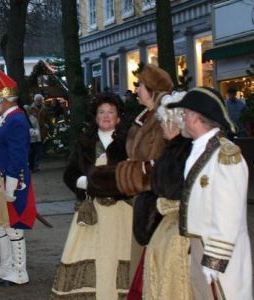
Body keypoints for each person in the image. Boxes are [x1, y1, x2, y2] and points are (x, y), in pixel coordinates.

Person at [166, 87, 252, 299]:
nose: (182, 119)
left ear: (196, 117)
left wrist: (215, 260)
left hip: (218, 250)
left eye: (184, 113)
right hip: (198, 245)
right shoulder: (200, 148)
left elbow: (229, 213)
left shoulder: (225, 155)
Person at [51, 93, 129, 299]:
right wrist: (82, 183)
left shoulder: (129, 142)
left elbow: (132, 177)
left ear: (119, 117)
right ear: (95, 117)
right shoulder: (85, 142)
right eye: (101, 112)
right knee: (84, 254)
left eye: (111, 112)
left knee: (117, 257)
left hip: (120, 211)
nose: (106, 116)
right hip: (90, 211)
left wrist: (101, 182)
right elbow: (69, 173)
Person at [114, 63, 174, 299]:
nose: (136, 89)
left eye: (140, 85)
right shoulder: (144, 116)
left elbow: (162, 162)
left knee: (147, 254)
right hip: (139, 195)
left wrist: (130, 173)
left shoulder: (163, 119)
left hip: (154, 198)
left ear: (152, 90)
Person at [0, 67, 38, 286]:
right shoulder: (7, 118)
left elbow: (17, 156)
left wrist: (11, 186)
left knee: (13, 225)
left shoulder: (15, 120)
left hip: (11, 180)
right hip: (0, 178)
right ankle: (7, 265)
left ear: (6, 98)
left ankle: (20, 271)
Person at [141, 91, 194, 299]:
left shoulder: (183, 151)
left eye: (163, 121)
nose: (162, 126)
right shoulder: (173, 149)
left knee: (174, 280)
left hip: (178, 228)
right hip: (167, 225)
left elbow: (172, 187)